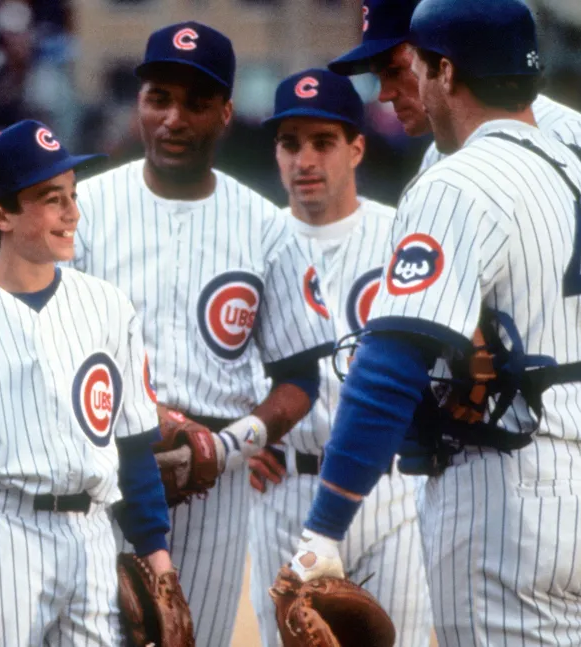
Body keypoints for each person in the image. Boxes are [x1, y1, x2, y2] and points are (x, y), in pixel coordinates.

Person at [289, 1, 581, 645]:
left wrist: (325, 528)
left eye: (414, 67)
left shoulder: (460, 179)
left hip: (505, 494)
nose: (405, 87)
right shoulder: (570, 164)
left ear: (446, 72)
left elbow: (391, 364)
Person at [70, 21, 335, 646]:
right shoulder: (83, 209)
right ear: (139, 103)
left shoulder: (265, 227)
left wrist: (227, 444)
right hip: (100, 473)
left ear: (224, 112)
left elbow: (299, 376)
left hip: (214, 486)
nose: (173, 118)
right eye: (159, 97)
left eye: (195, 101)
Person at [0, 120, 182, 645]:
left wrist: (156, 552)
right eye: (52, 199)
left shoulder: (108, 306)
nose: (73, 212)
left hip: (95, 532)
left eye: (72, 195)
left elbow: (134, 446)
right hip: (4, 532)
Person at [246, 68, 432, 647]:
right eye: (289, 142)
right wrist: (243, 437)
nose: (305, 159)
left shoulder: (402, 235)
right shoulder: (251, 244)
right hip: (285, 489)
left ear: (355, 147)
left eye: (323, 141)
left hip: (393, 488)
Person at [329, 0, 581, 171]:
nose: (384, 94)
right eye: (378, 76)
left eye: (394, 71)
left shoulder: (569, 137)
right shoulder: (436, 156)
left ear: (442, 61)